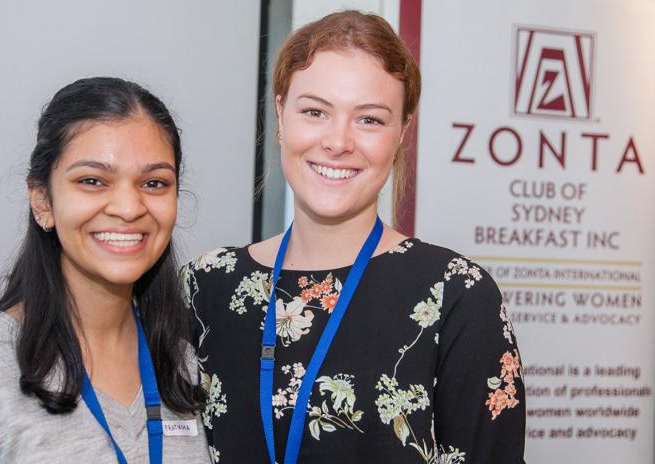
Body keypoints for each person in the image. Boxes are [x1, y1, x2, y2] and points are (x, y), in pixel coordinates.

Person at [182, 11, 525, 464]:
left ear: (402, 131)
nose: (338, 141)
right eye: (315, 111)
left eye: (369, 120)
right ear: (281, 114)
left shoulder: (455, 294)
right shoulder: (206, 285)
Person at [0, 77, 211, 464]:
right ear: (43, 201)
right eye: (92, 181)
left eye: (154, 182)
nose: (129, 208)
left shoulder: (191, 363)